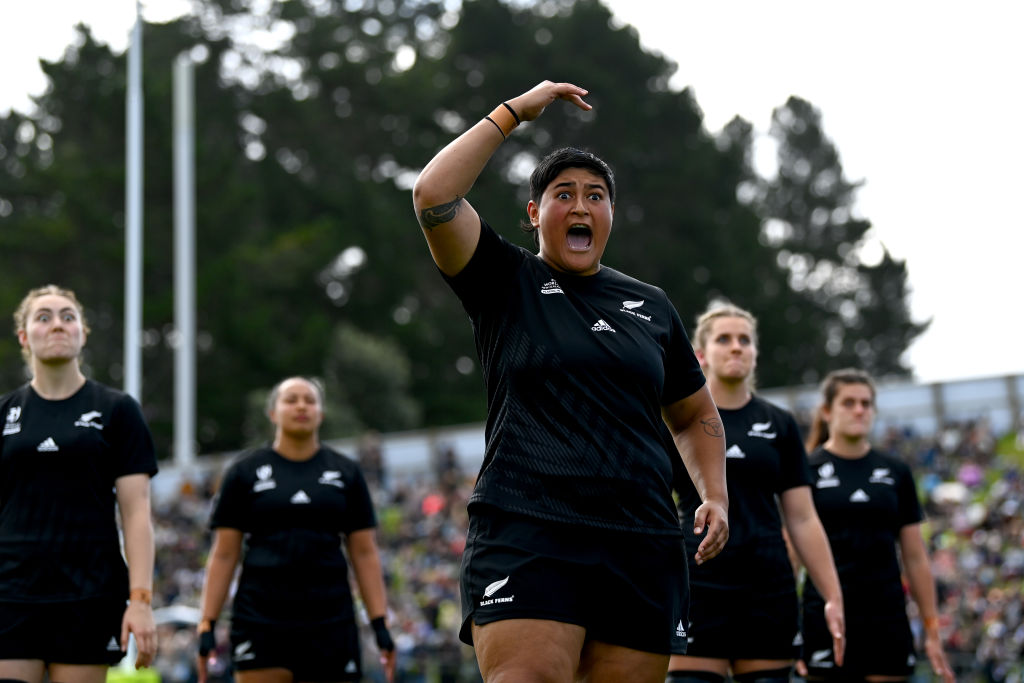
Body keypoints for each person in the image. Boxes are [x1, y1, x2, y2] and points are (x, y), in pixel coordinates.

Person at [412, 80, 729, 682]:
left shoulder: (652, 307)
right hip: (530, 528)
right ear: (534, 214)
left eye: (595, 196)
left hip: (640, 540)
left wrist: (714, 493)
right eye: (563, 195)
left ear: (611, 215)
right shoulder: (505, 282)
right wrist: (514, 113)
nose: (581, 206)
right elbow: (434, 195)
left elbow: (692, 414)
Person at [667, 303, 844, 683]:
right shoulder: (677, 419)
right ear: (701, 355)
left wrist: (832, 595)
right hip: (696, 582)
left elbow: (801, 517)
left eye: (744, 340)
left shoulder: (779, 425)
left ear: (755, 353)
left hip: (767, 584)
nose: (736, 347)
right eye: (724, 339)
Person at [0, 284, 158, 681]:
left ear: (83, 333)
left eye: (68, 317)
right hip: (10, 593)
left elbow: (137, 512)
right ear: (24, 336)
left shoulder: (117, 410)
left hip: (88, 593)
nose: (58, 325)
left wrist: (140, 600)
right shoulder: (4, 413)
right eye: (44, 317)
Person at [195, 376, 396, 683]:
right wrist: (207, 622)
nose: (301, 406)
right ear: (273, 413)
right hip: (260, 618)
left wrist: (379, 623)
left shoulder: (346, 472)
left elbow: (365, 552)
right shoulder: (244, 472)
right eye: (291, 400)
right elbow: (224, 554)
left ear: (321, 414)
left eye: (310, 400)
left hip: (330, 619)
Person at [799, 368, 954, 682]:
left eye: (866, 403)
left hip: (886, 614)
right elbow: (791, 550)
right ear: (827, 411)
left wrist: (931, 629)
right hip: (827, 614)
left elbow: (914, 556)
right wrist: (791, 627)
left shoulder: (896, 471)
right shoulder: (806, 470)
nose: (860, 410)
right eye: (849, 402)